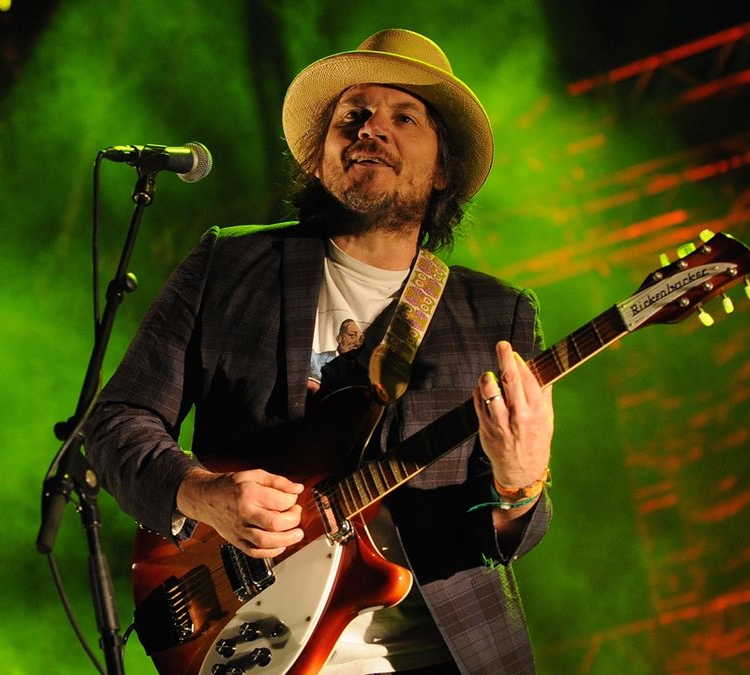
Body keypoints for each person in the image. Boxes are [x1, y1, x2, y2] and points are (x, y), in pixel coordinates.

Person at [86, 28, 553, 674]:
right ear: (319, 154)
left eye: (403, 116)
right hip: (245, 645)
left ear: (442, 166)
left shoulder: (496, 316)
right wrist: (201, 493)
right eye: (352, 114)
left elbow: (504, 536)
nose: (371, 129)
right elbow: (114, 424)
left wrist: (519, 484)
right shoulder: (229, 263)